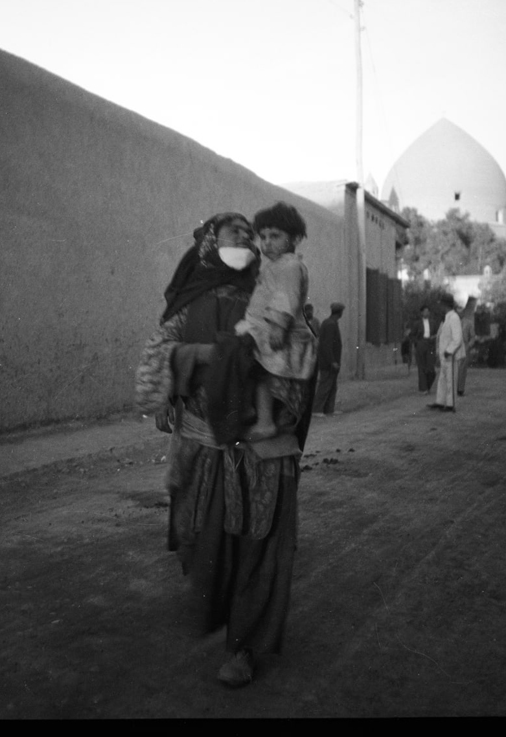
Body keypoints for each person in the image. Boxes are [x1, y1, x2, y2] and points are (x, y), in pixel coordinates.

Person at [134, 211, 316, 689]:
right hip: (199, 443)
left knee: (257, 546)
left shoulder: (276, 287)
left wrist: (270, 395)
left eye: (250, 231)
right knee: (201, 547)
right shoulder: (188, 302)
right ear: (210, 242)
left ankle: (243, 647)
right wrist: (203, 356)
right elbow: (157, 353)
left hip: (260, 448)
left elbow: (299, 352)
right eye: (233, 230)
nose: (246, 237)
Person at [234, 202, 318, 441]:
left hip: (280, 335)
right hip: (262, 330)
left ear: (294, 238)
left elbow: (285, 298)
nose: (267, 242)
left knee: (264, 378)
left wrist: (279, 326)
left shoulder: (290, 266)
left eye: (275, 236)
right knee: (255, 372)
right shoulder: (276, 265)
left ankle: (266, 421)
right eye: (263, 236)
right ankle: (260, 415)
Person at [427, 292, 465, 413]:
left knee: (450, 380)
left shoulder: (454, 318)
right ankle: (440, 401)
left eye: (441, 304)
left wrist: (449, 351)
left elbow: (457, 338)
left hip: (451, 355)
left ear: (445, 305)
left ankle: (450, 404)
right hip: (445, 355)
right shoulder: (446, 318)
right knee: (443, 379)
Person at [312, 302, 345, 416]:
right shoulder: (331, 324)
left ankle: (328, 409)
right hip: (328, 363)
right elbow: (327, 345)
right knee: (325, 386)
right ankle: (317, 409)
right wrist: (332, 361)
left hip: (329, 362)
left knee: (331, 386)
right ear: (340, 313)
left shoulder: (328, 322)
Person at [411, 304, 439, 394]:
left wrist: (434, 337)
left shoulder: (433, 323)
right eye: (425, 311)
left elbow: (438, 333)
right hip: (421, 344)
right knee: (421, 367)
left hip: (430, 345)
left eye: (428, 311)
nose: (427, 313)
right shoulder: (417, 324)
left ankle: (428, 385)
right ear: (422, 312)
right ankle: (423, 388)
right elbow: (412, 335)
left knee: (430, 367)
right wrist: (417, 343)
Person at [456, 297, 477, 396]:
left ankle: (460, 389)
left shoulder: (468, 323)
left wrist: (469, 345)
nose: (459, 313)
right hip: (454, 346)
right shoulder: (452, 322)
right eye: (458, 312)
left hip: (464, 346)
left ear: (463, 312)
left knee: (462, 369)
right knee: (454, 368)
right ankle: (453, 388)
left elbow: (473, 336)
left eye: (461, 311)